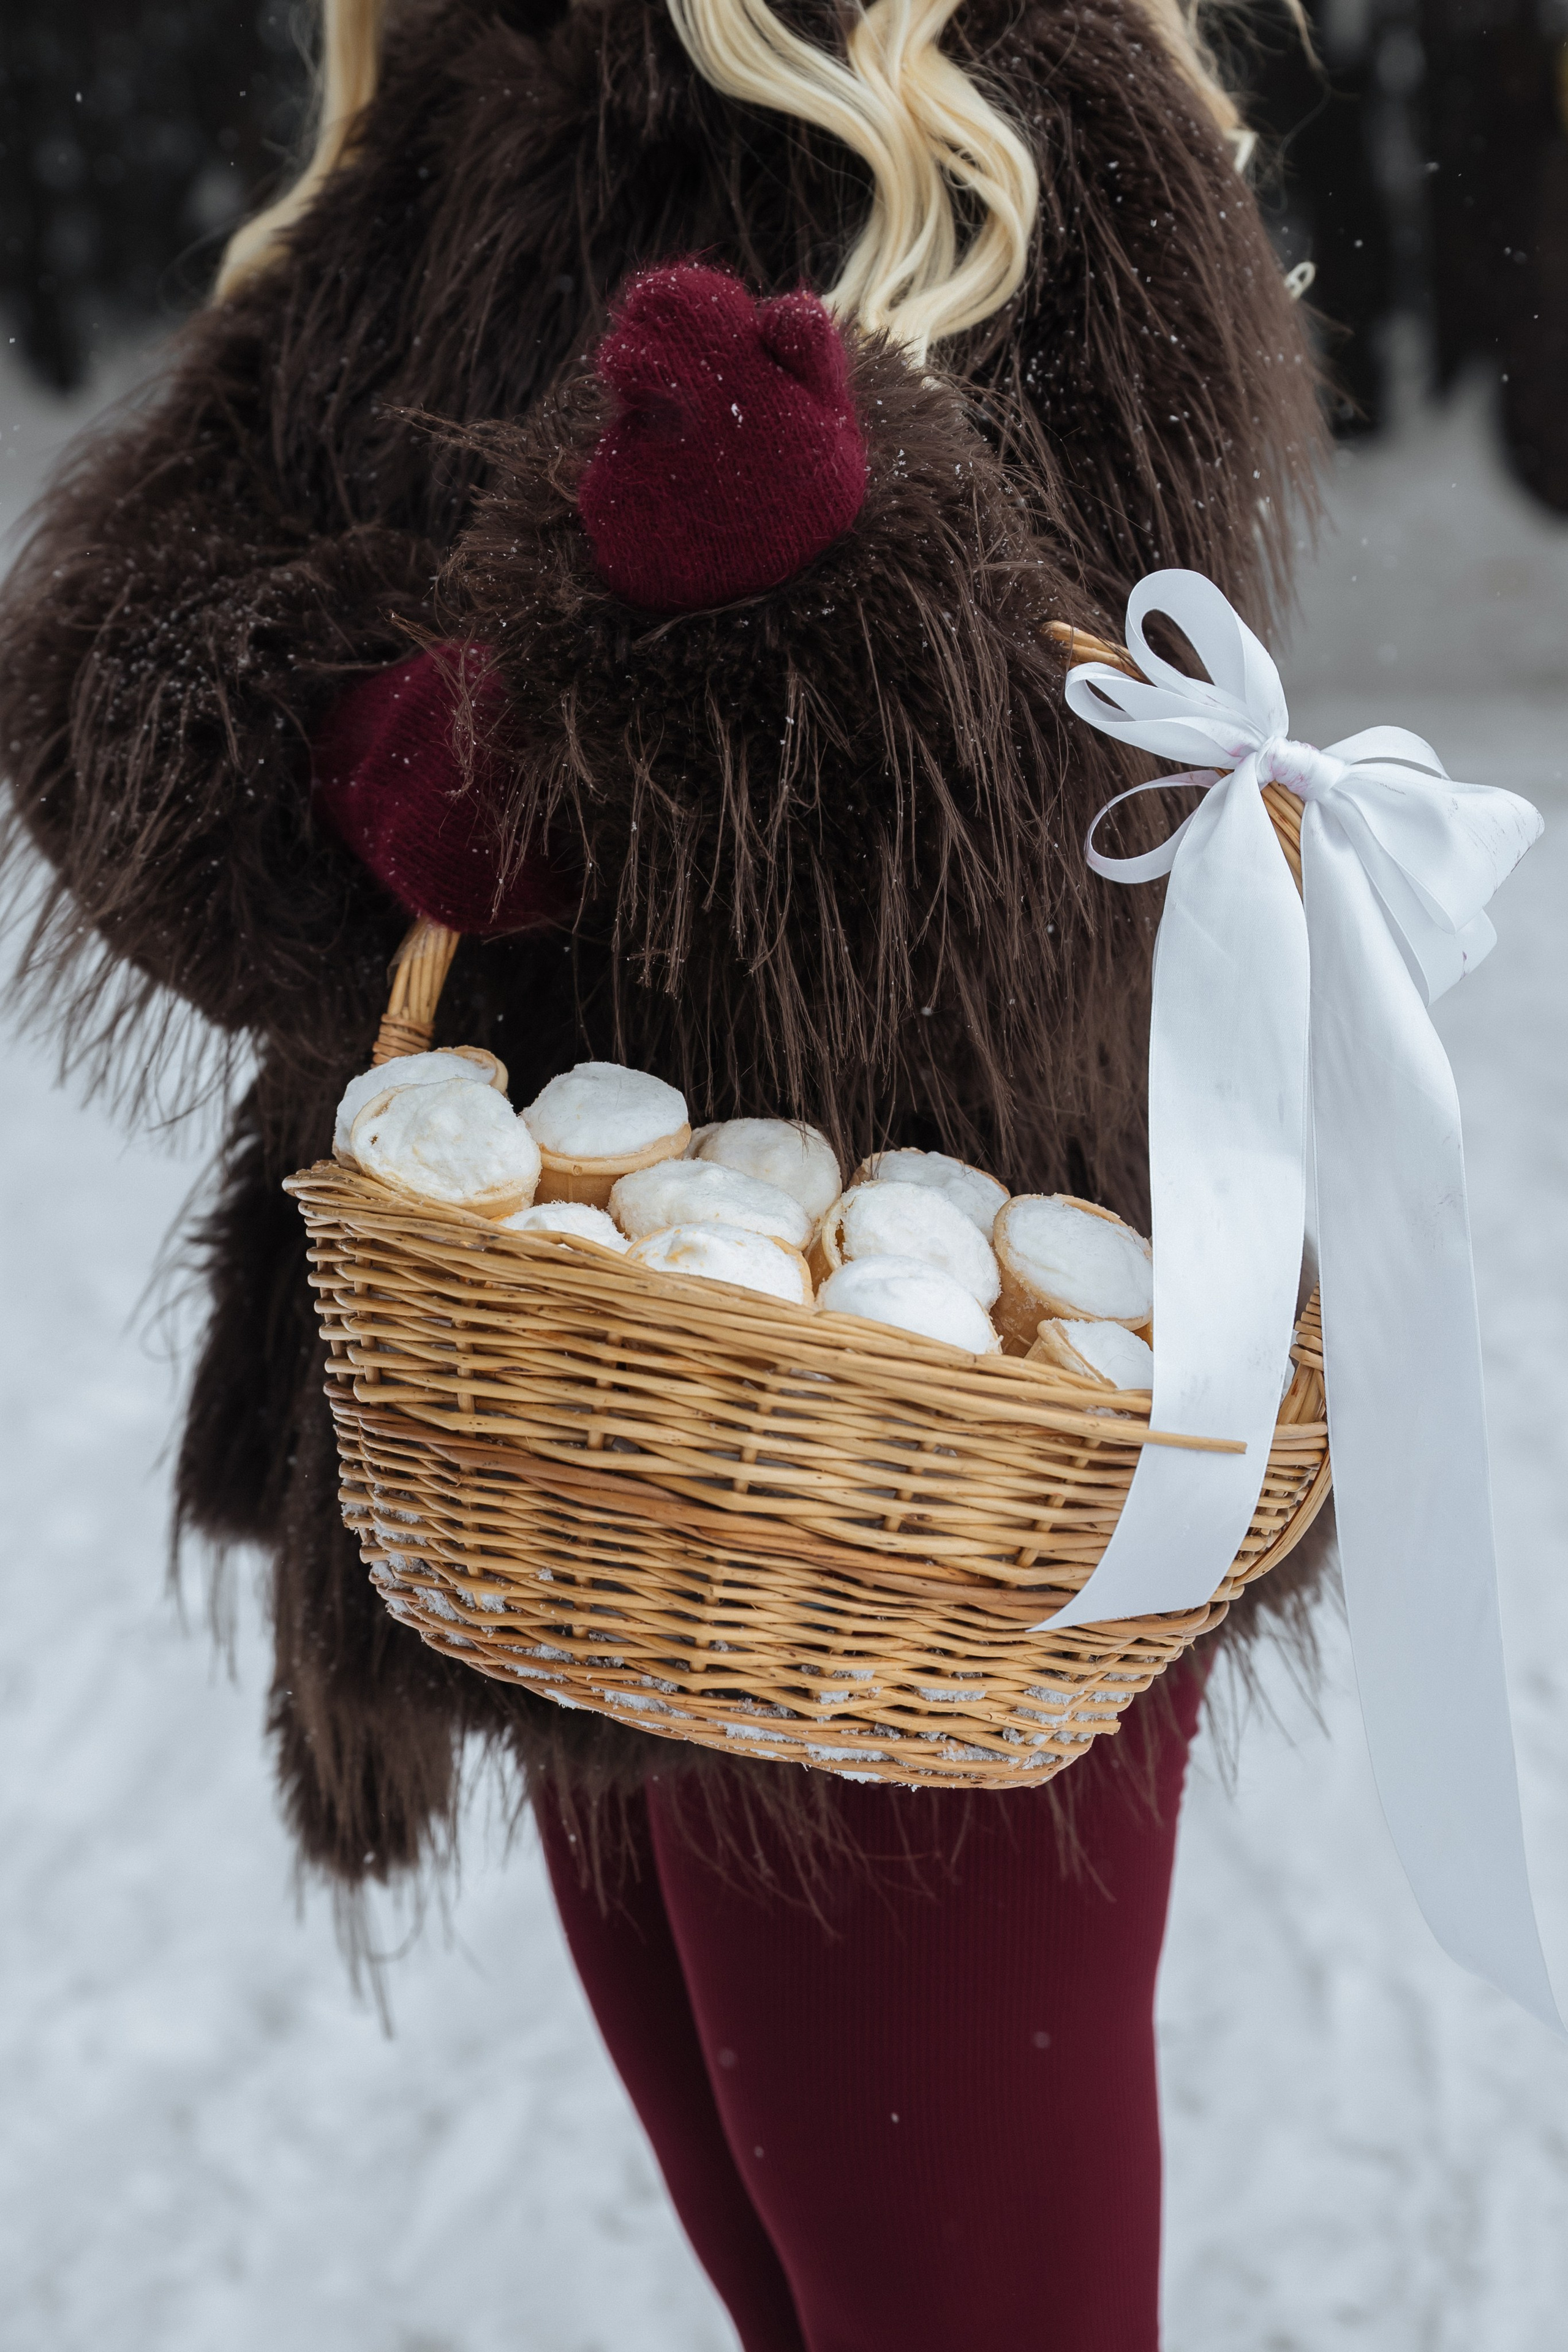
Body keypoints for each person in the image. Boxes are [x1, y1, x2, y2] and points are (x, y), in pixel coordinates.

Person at [0, 1, 1325, 2342]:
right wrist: (347, 759)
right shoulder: (454, 109)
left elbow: (1116, 835)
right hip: (551, 1428)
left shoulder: (1037, 109)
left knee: (956, 2305)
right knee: (796, 2277)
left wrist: (779, 632)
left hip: (902, 1447)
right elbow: (116, 632)